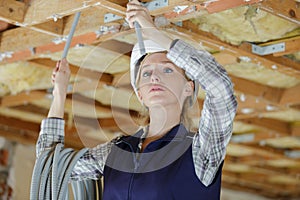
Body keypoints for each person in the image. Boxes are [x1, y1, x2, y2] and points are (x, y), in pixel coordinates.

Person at [36, 0, 237, 199]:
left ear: (188, 88)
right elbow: (49, 169)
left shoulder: (200, 151)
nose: (155, 77)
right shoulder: (118, 151)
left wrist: (153, 32)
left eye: (167, 69)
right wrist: (60, 94)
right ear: (140, 94)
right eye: (147, 73)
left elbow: (221, 89)